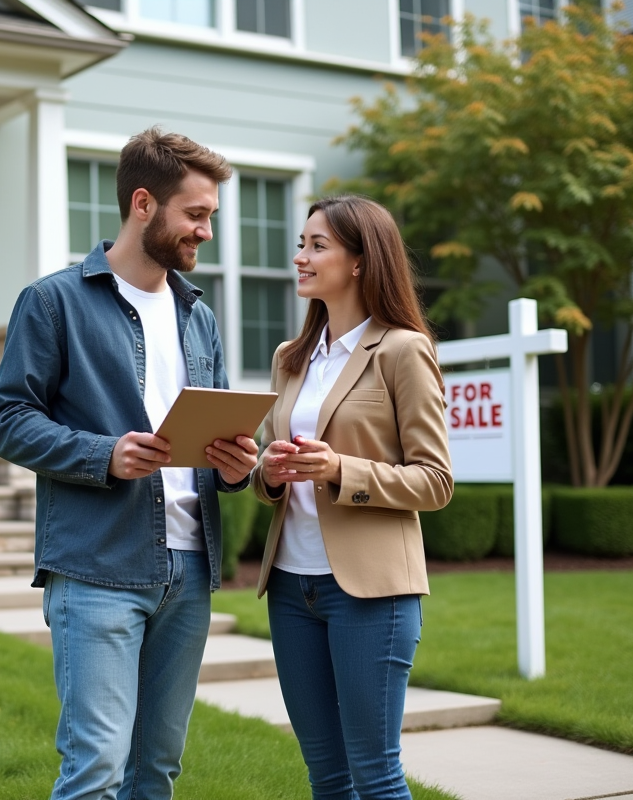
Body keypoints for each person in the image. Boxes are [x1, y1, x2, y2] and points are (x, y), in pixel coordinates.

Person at [0, 127, 259, 800]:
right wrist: (103, 454)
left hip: (189, 569)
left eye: (210, 217)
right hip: (97, 568)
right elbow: (7, 421)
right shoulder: (54, 302)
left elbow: (218, 436)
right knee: (96, 772)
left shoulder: (200, 318)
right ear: (144, 203)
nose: (206, 232)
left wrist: (236, 465)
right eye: (195, 215)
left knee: (156, 771)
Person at [251, 195, 453, 800]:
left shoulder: (402, 349)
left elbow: (435, 480)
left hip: (370, 592)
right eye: (301, 244)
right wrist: (270, 471)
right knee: (327, 779)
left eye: (317, 246)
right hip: (290, 586)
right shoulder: (290, 359)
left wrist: (341, 469)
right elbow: (270, 465)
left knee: (376, 775)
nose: (299, 258)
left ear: (362, 261)